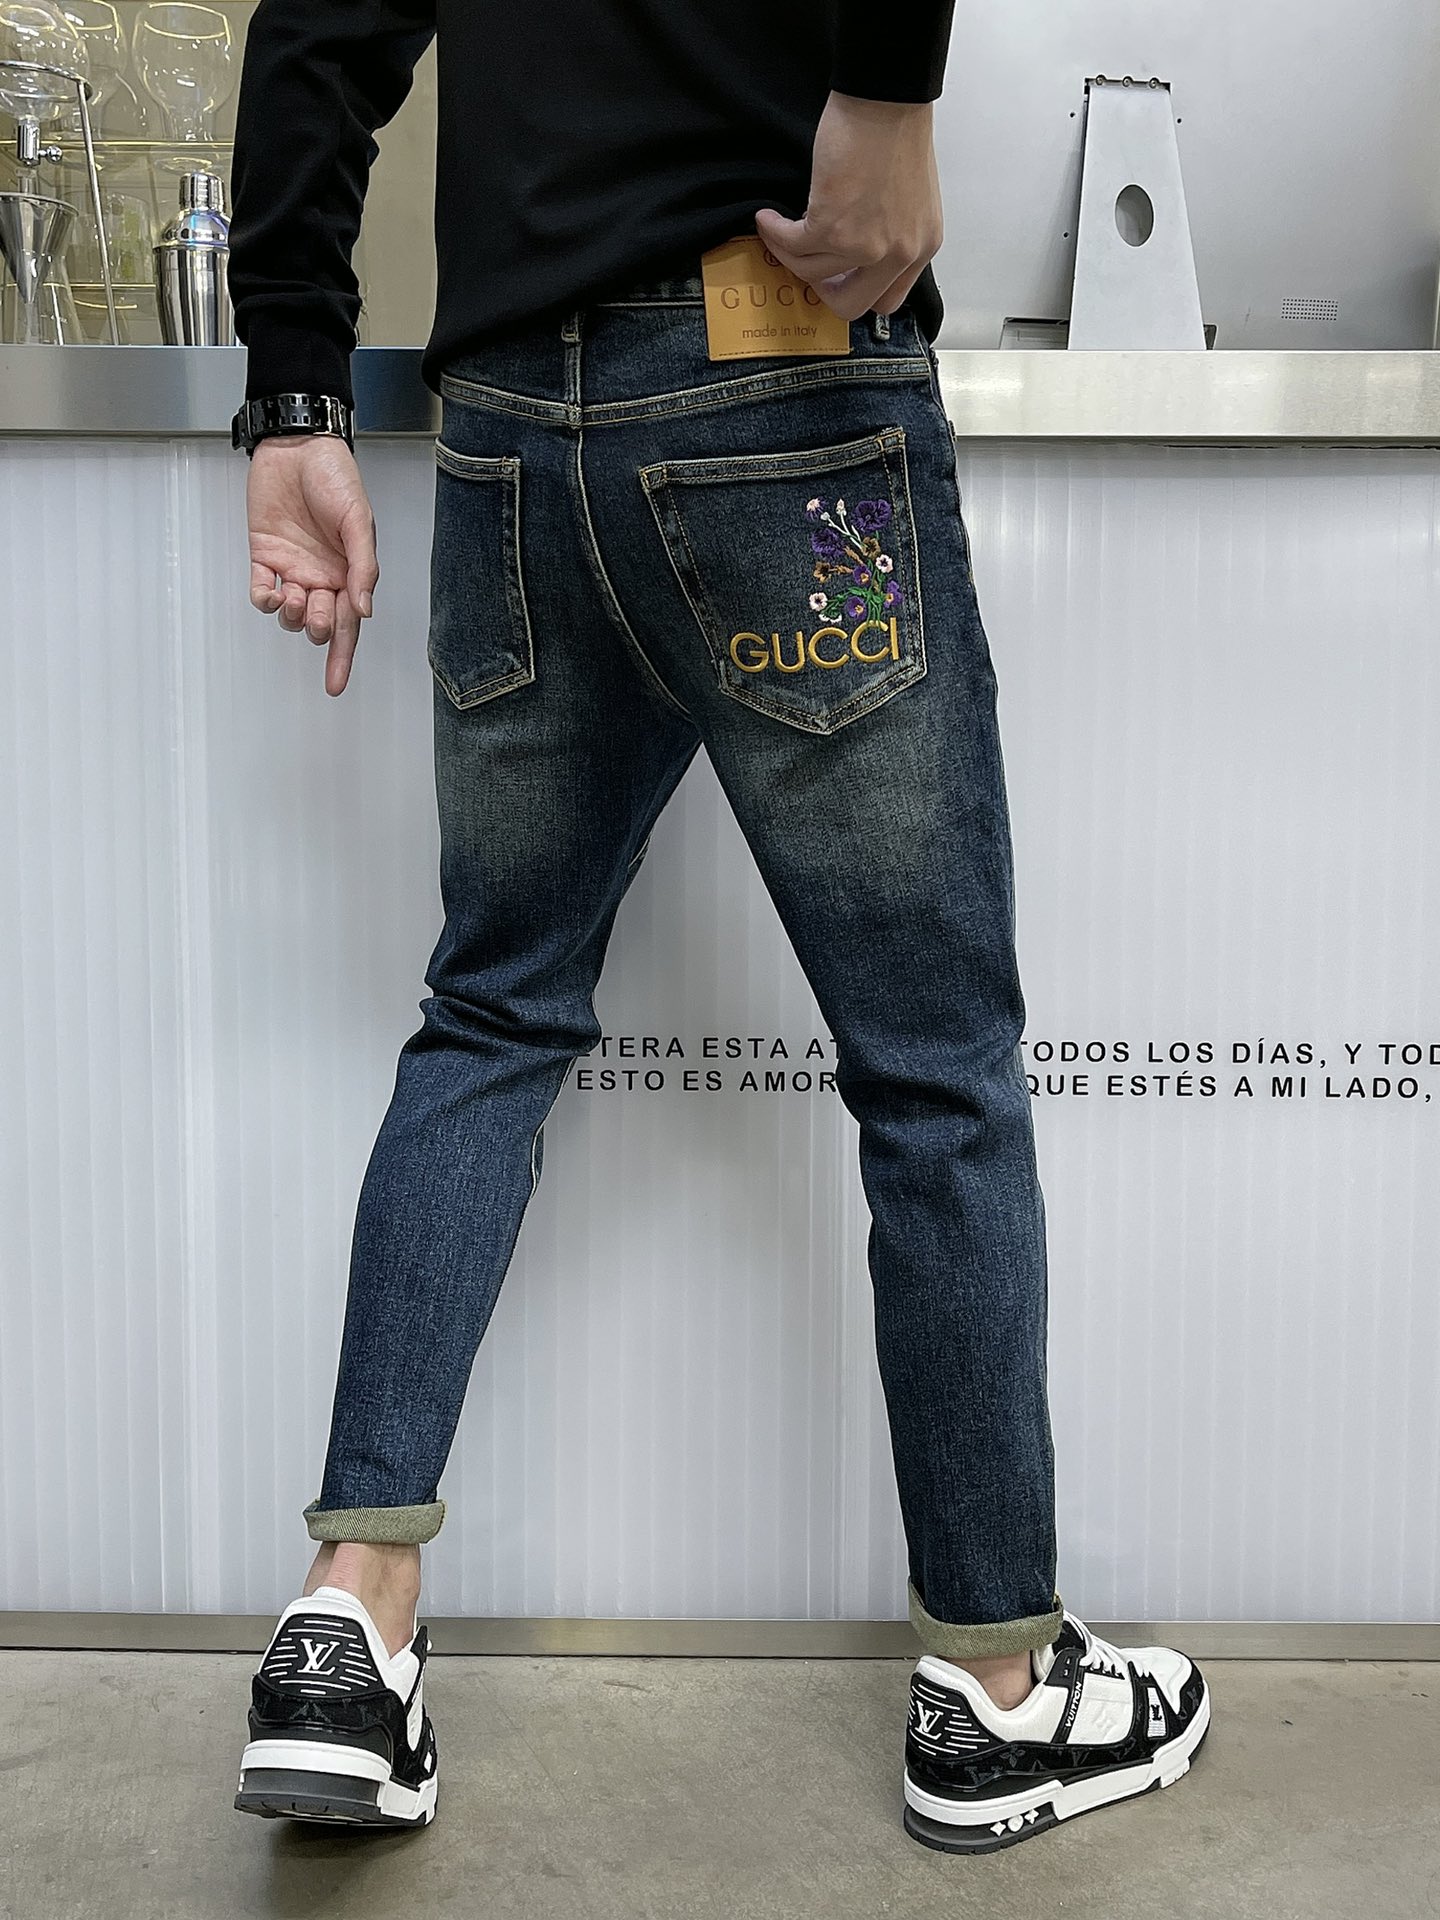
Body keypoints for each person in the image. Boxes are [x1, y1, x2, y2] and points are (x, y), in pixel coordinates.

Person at [224, 0, 1210, 1853]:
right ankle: (999, 1690)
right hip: (782, 387)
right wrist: (888, 87)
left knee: (490, 1014)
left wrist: (293, 391)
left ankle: (348, 1620)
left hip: (510, 429)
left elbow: (319, 30)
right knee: (933, 1072)